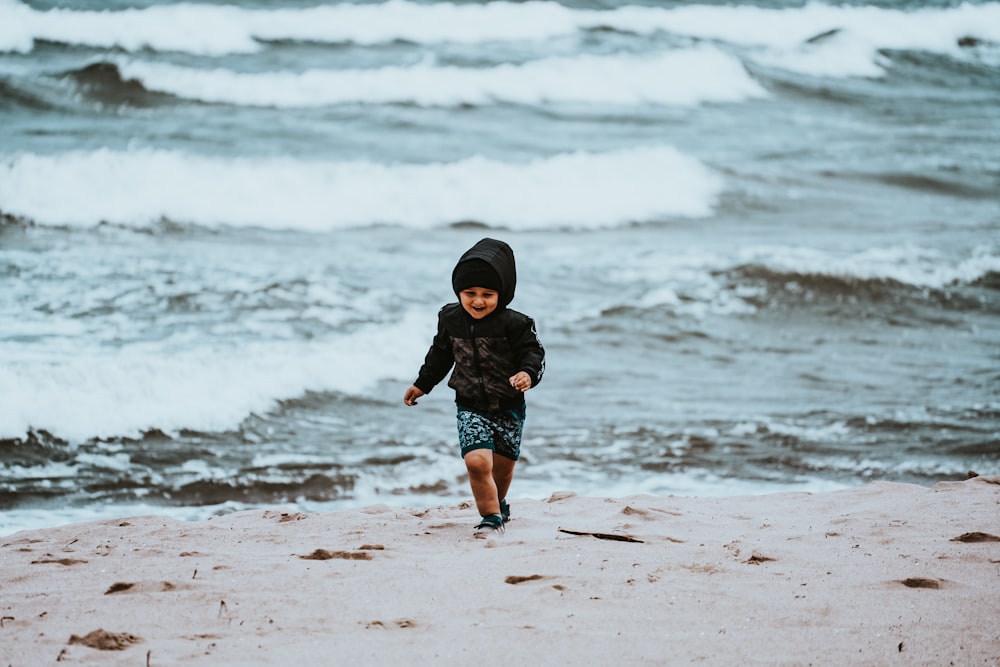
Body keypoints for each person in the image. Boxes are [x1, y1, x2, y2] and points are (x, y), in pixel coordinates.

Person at [403, 238, 545, 535]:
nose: (478, 301)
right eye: (469, 293)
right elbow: (440, 354)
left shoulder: (516, 324)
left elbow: (534, 354)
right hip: (469, 405)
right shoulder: (450, 318)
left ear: (502, 293)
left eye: (487, 294)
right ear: (458, 291)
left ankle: (500, 502)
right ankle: (491, 518)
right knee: (478, 463)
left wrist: (527, 374)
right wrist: (422, 384)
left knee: (502, 470)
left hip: (509, 406)